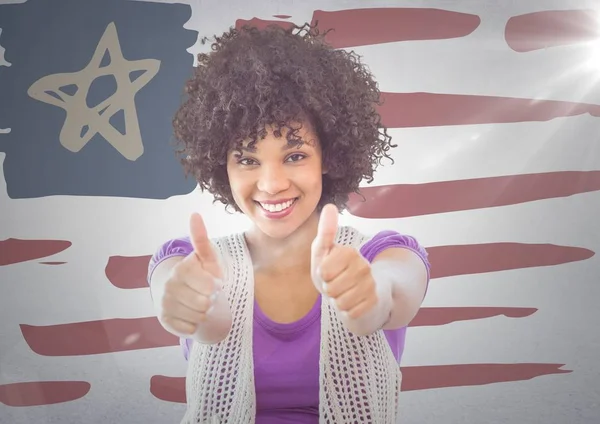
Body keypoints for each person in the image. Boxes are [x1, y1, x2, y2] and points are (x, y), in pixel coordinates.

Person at [147, 22, 431, 424]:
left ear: (329, 155)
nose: (272, 184)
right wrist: (198, 309)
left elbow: (393, 294)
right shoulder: (188, 263)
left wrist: (372, 298)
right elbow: (207, 323)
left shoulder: (384, 254)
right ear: (220, 166)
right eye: (247, 159)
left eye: (295, 155)